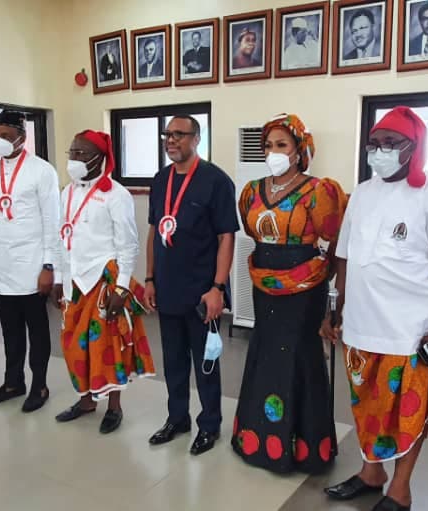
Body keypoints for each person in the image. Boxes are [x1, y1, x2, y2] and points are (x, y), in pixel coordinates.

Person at [321, 107, 428, 511]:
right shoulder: (364, 192)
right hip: (361, 326)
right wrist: (335, 307)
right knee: (366, 404)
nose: (379, 152)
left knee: (407, 412)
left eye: (391, 144)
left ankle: (400, 489)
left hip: (410, 330)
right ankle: (372, 472)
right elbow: (345, 256)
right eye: (374, 144)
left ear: (414, 148)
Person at [231, 114, 346, 474]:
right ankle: (260, 440)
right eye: (268, 146)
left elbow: (333, 238)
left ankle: (304, 448)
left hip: (305, 287)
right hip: (263, 279)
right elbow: (251, 231)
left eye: (281, 145)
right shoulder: (251, 190)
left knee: (298, 353)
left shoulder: (319, 191)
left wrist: (330, 289)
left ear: (299, 151)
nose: (273, 152)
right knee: (265, 351)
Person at [50, 130, 156, 435]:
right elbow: (62, 238)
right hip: (74, 281)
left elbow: (128, 245)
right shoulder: (66, 193)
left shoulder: (116, 194)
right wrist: (59, 277)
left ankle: (114, 407)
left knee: (107, 346)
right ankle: (85, 401)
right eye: (72, 153)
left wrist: (121, 288)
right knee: (73, 344)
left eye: (82, 154)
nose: (74, 159)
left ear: (100, 158)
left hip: (103, 280)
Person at [144, 116, 238, 456]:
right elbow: (155, 231)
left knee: (206, 363)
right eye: (167, 134)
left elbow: (226, 237)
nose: (171, 140)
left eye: (179, 135)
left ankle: (209, 424)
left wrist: (218, 287)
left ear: (197, 139)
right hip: (167, 289)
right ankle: (177, 417)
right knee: (173, 361)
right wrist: (150, 278)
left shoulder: (216, 181)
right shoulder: (160, 180)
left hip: (202, 292)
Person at [0, 110, 60, 412]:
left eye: (6, 137)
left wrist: (50, 266)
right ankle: (13, 382)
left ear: (23, 137)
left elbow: (52, 222)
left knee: (36, 330)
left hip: (32, 265)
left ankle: (40, 384)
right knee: (9, 330)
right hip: (0, 265)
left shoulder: (42, 171)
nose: (0, 142)